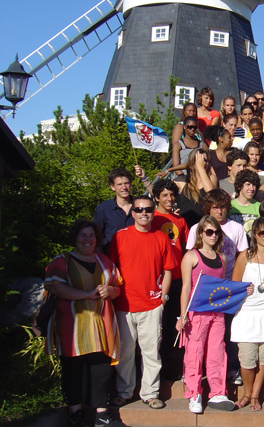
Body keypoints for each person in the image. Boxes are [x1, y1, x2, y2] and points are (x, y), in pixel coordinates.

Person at [44, 220, 123, 427]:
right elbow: (57, 288)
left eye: (91, 236)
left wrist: (111, 291)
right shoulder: (62, 262)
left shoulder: (105, 261)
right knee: (72, 370)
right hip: (72, 326)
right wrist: (87, 294)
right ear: (75, 238)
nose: (88, 240)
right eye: (83, 235)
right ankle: (75, 413)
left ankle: (102, 414)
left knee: (101, 370)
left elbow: (118, 286)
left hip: (101, 325)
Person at [109, 196, 177, 410]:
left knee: (150, 352)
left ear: (153, 211)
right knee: (126, 352)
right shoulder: (119, 237)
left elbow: (168, 270)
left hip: (152, 304)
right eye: (139, 209)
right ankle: (124, 392)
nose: (143, 213)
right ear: (133, 213)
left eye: (148, 209)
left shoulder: (161, 238)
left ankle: (150, 393)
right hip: (124, 304)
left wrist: (163, 298)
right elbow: (111, 269)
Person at [176, 216, 236, 413]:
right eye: (209, 232)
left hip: (217, 313)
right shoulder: (191, 256)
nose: (213, 235)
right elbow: (185, 287)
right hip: (196, 312)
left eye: (216, 232)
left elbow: (222, 287)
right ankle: (194, 393)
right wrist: (182, 315)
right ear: (201, 233)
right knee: (195, 352)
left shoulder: (223, 258)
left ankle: (218, 391)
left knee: (218, 351)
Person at [230, 218, 264, 411]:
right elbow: (234, 286)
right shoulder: (245, 256)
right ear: (254, 235)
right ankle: (246, 393)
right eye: (262, 233)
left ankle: (254, 396)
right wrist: (244, 290)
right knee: (247, 360)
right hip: (246, 313)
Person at [151, 179, 189, 380]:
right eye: (164, 195)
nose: (169, 199)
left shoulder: (180, 221)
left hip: (177, 278)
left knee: (170, 326)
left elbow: (185, 247)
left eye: (172, 195)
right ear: (156, 197)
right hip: (156, 280)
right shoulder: (151, 218)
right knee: (155, 327)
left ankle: (166, 366)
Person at [93, 167, 136, 251]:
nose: (124, 187)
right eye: (119, 184)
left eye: (126, 183)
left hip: (135, 257)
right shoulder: (103, 208)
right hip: (110, 259)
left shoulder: (139, 208)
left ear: (131, 184)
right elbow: (97, 236)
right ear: (112, 187)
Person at [174, 149, 217, 228]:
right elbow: (160, 194)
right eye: (199, 160)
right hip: (186, 226)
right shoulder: (184, 181)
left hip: (204, 226)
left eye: (205, 160)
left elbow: (211, 193)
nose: (203, 163)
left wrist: (201, 168)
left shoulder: (211, 178)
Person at [229, 169, 262, 233]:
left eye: (254, 185)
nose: (252, 188)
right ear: (239, 186)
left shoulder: (259, 207)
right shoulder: (229, 206)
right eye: (248, 184)